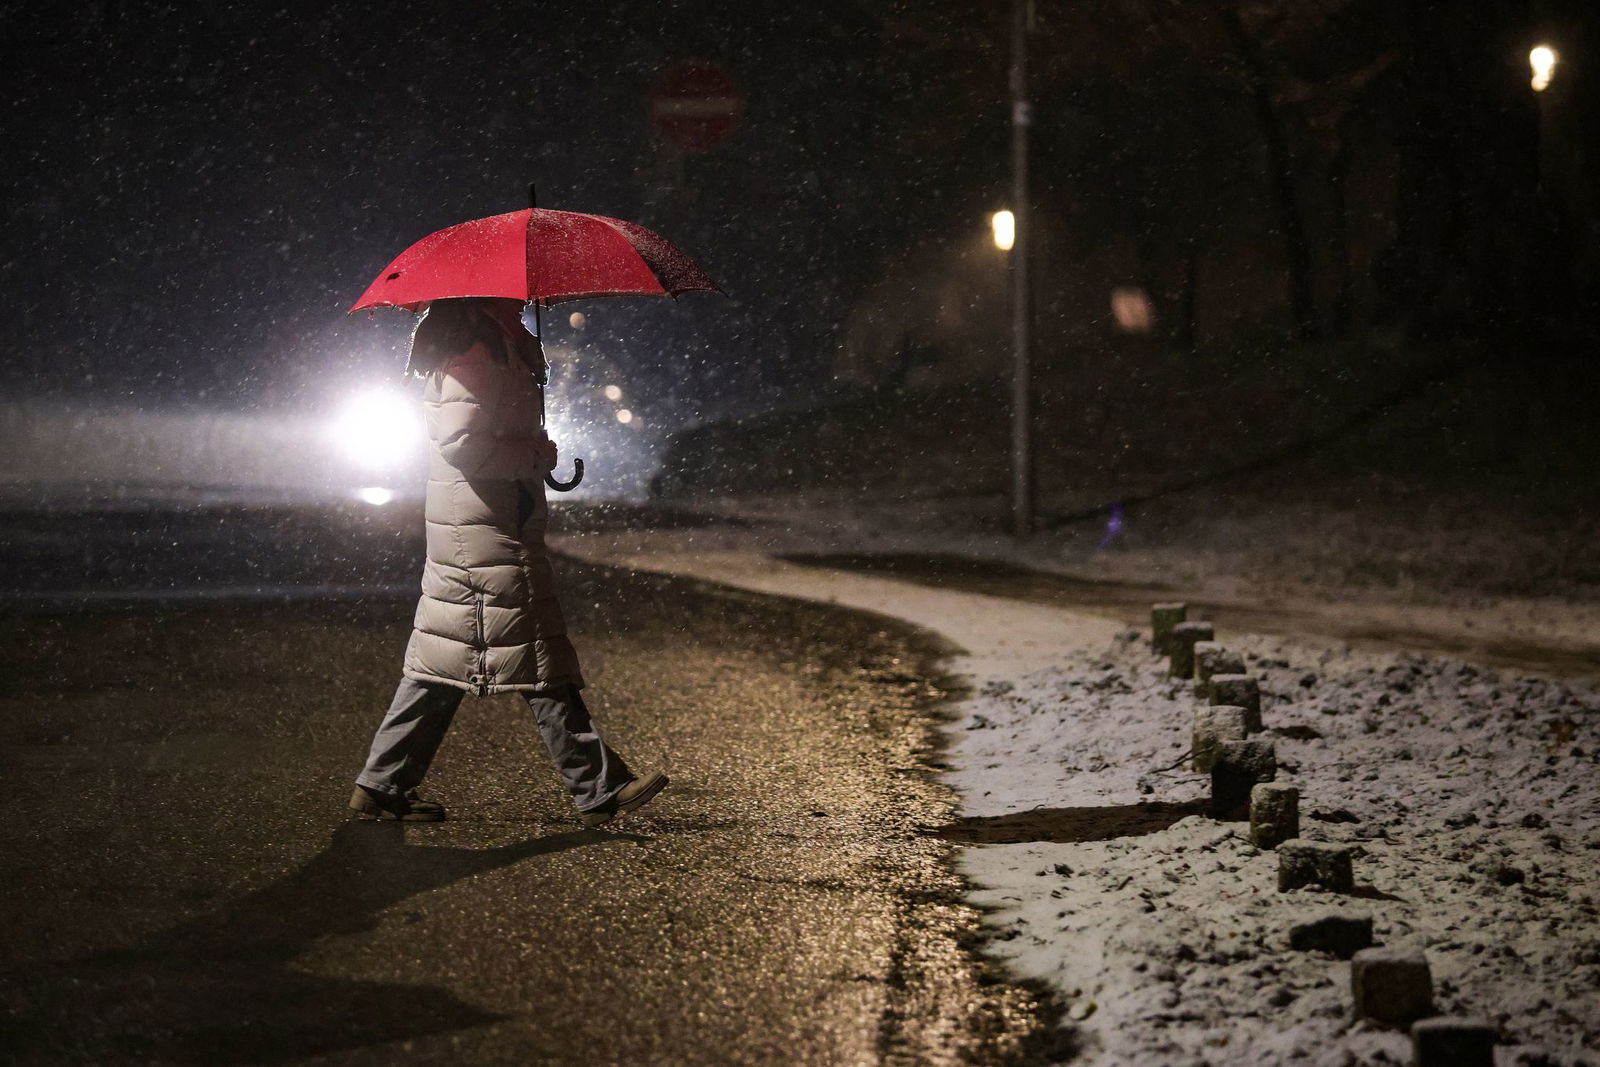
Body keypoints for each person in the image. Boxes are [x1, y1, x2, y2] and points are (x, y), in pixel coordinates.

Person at [350, 297, 667, 826]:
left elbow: (487, 435)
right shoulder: (475, 356)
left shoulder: (498, 350)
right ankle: (598, 786)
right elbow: (463, 446)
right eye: (511, 297)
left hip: (488, 524)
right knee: (533, 652)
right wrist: (533, 457)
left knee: (446, 659)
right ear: (484, 301)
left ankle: (382, 786)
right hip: (481, 529)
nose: (522, 301)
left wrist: (528, 442)